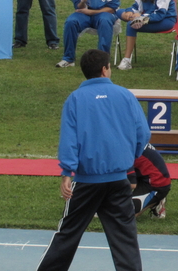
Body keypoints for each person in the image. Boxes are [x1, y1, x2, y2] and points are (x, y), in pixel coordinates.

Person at [36, 49, 149, 271]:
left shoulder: (75, 99)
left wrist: (67, 172)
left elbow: (69, 139)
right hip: (119, 179)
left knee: (68, 233)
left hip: (86, 181)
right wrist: (130, 156)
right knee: (125, 237)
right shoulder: (125, 95)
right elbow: (142, 133)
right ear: (105, 69)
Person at [116, 0, 176, 71]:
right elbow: (136, 6)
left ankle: (127, 60)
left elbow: (160, 14)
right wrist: (130, 12)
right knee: (119, 12)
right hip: (147, 17)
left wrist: (141, 18)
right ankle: (131, 18)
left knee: (132, 25)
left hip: (166, 20)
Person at [129, 143, 171, 218]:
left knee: (124, 215)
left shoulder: (124, 149)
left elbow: (131, 184)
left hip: (156, 184)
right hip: (142, 176)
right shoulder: (129, 140)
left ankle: (156, 199)